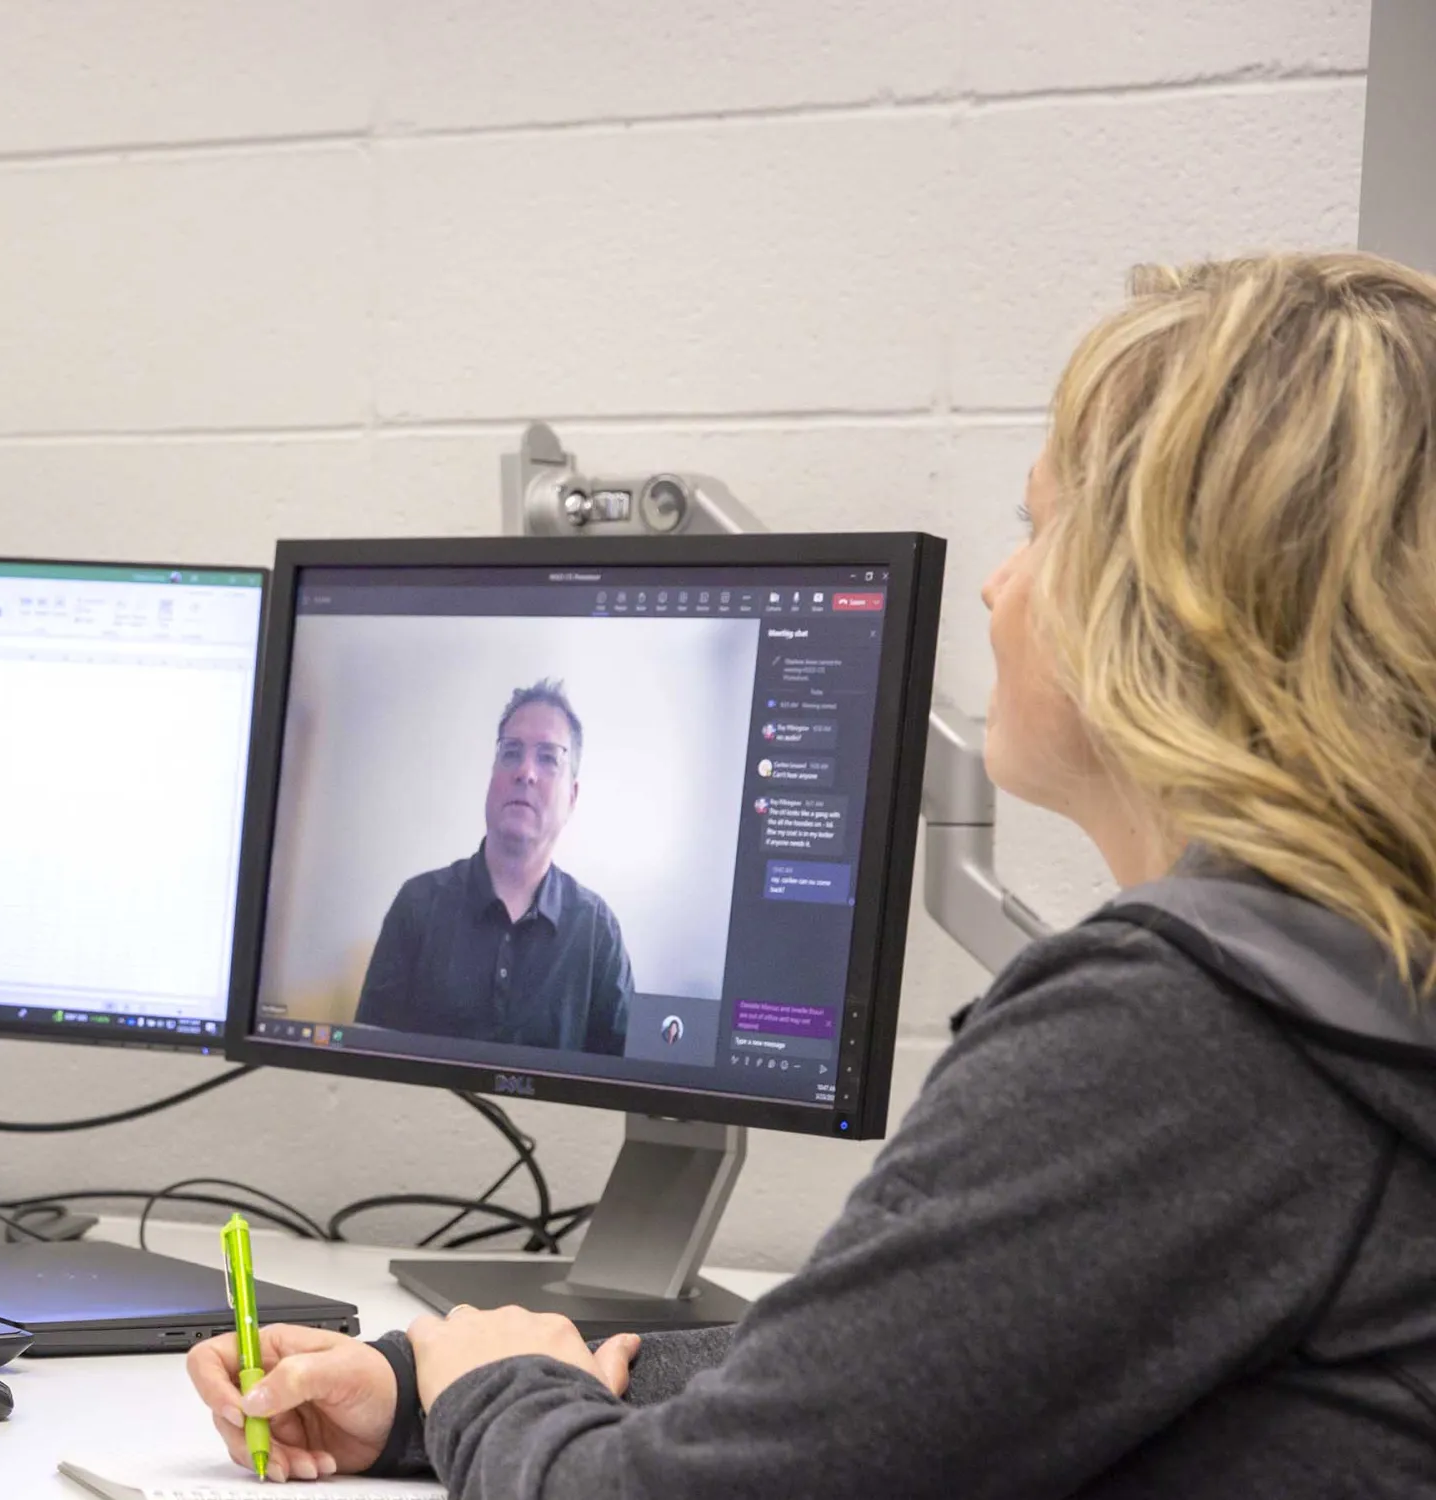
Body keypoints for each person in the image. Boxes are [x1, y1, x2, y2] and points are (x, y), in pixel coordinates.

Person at [189, 251, 1436, 1496]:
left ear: (1171, 591)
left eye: (1039, 529)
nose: (997, 588)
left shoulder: (1180, 1030)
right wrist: (426, 1389)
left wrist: (492, 1390)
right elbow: (881, 1386)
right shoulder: (1348, 982)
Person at [353, 680, 634, 1056]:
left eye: (549, 757)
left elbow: (625, 1085)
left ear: (572, 796)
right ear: (492, 776)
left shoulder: (599, 932)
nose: (526, 772)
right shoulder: (417, 904)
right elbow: (369, 1067)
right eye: (511, 753)